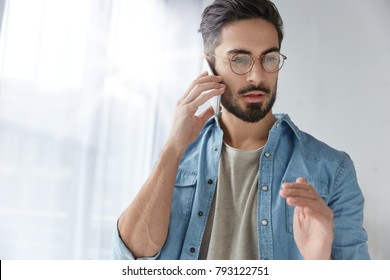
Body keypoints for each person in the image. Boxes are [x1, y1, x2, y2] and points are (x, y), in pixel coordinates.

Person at [112, 0, 370, 260]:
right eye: (240, 59)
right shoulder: (178, 156)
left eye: (269, 58)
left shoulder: (333, 170)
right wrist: (171, 149)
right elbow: (129, 259)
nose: (257, 77)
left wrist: (319, 263)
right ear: (210, 67)